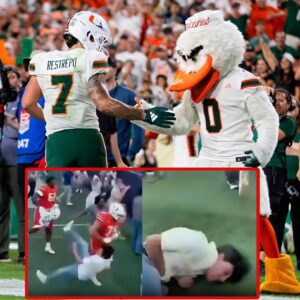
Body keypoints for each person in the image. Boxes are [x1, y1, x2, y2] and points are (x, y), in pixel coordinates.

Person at [134, 10, 300, 293]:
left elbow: (267, 120)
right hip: (208, 158)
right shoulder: (195, 85)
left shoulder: (244, 81)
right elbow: (183, 121)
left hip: (239, 156)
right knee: (187, 209)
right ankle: (169, 263)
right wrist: (146, 114)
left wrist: (260, 152)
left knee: (258, 218)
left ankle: (279, 273)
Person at [21, 11, 175, 167]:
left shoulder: (43, 60)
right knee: (97, 189)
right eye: (99, 39)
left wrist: (52, 118)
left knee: (62, 191)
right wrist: (144, 115)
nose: (100, 46)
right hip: (87, 139)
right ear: (87, 34)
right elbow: (103, 104)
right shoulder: (90, 59)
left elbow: (27, 103)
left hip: (56, 140)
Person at [142, 227, 250, 296]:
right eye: (226, 272)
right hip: (145, 259)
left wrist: (179, 278)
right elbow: (152, 242)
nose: (222, 279)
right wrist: (162, 273)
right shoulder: (198, 243)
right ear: (221, 256)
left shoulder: (200, 271)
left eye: (226, 279)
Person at [264, 88, 296, 251]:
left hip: (275, 169)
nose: (276, 103)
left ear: (289, 104)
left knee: (273, 212)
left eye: (281, 100)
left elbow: (270, 137)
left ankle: (270, 255)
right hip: (261, 167)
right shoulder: (265, 118)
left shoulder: (288, 122)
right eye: (274, 99)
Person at [98, 57, 144, 166]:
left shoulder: (129, 95)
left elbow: (139, 125)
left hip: (120, 157)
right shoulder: (93, 95)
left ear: (114, 70)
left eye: (106, 67)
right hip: (97, 156)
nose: (103, 71)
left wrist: (130, 153)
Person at [0, 67, 24, 264]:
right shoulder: (3, 102)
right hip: (1, 160)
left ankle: (24, 252)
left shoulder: (23, 101)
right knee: (1, 207)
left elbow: (23, 127)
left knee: (20, 205)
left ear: (18, 80)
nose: (8, 80)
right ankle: (2, 251)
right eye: (5, 77)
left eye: (12, 76)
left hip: (17, 159)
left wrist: (8, 119)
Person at [36, 226, 113, 286]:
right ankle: (70, 229)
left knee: (62, 270)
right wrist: (95, 270)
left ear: (102, 256)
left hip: (81, 272)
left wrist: (74, 249)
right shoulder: (109, 258)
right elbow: (105, 269)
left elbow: (79, 260)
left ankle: (46, 278)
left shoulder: (94, 260)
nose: (99, 250)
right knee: (84, 244)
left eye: (100, 251)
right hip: (90, 267)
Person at [28, 176, 59, 254]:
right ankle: (26, 233)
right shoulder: (44, 189)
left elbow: (51, 198)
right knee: (36, 229)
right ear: (48, 183)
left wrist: (55, 201)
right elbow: (34, 198)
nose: (54, 183)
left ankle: (48, 247)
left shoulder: (55, 188)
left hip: (50, 212)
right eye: (52, 182)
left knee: (49, 230)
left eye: (54, 181)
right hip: (41, 211)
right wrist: (38, 205)